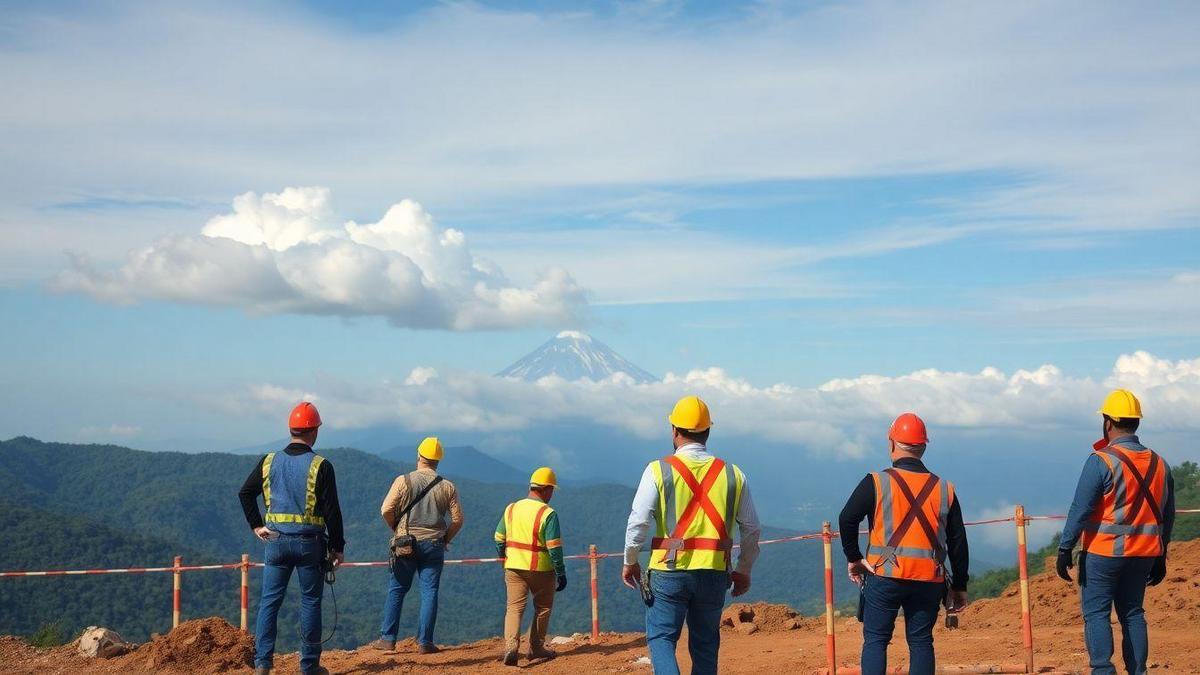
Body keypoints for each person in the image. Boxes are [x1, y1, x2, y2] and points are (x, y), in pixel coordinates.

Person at [622, 395, 761, 675]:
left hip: (668, 572)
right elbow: (752, 527)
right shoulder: (733, 474)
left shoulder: (658, 470)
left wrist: (630, 560)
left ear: (674, 431)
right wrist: (743, 569)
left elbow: (639, 521)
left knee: (662, 639)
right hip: (714, 572)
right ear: (708, 431)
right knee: (705, 644)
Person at [838, 412, 969, 675]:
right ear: (923, 447)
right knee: (921, 641)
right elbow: (957, 541)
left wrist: (854, 558)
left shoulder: (876, 482)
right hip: (928, 579)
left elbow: (847, 518)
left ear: (892, 443)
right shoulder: (944, 489)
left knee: (876, 640)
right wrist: (959, 585)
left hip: (884, 574)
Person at [1056, 389, 1176, 675]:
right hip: (1145, 553)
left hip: (1104, 552)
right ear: (1137, 422)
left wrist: (1065, 547)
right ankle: (1138, 671)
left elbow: (1080, 509)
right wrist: (1161, 554)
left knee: (1097, 613)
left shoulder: (1101, 460)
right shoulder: (1160, 463)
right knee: (1133, 613)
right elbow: (1167, 516)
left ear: (1107, 422)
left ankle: (1103, 670)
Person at [238, 402, 344, 675]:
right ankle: (309, 666)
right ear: (314, 431)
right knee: (310, 602)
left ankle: (263, 664)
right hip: (310, 545)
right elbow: (332, 510)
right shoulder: (321, 465)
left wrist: (256, 525)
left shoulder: (268, 461)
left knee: (270, 602)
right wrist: (337, 547)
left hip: (275, 542)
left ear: (291, 429)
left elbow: (245, 493)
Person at [371, 437, 465, 654]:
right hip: (434, 544)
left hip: (406, 544)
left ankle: (388, 639)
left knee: (397, 589)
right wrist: (445, 539)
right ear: (438, 461)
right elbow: (458, 519)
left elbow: (386, 509)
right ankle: (425, 642)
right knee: (430, 591)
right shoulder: (448, 487)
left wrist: (396, 529)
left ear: (419, 456)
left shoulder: (403, 480)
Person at [494, 467, 568, 666]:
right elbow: (554, 547)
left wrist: (504, 557)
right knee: (542, 607)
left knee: (514, 608)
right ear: (545, 489)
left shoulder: (511, 508)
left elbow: (499, 538)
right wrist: (561, 572)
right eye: (551, 490)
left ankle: (511, 646)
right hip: (541, 569)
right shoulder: (548, 513)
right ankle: (536, 647)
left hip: (514, 566)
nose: (552, 494)